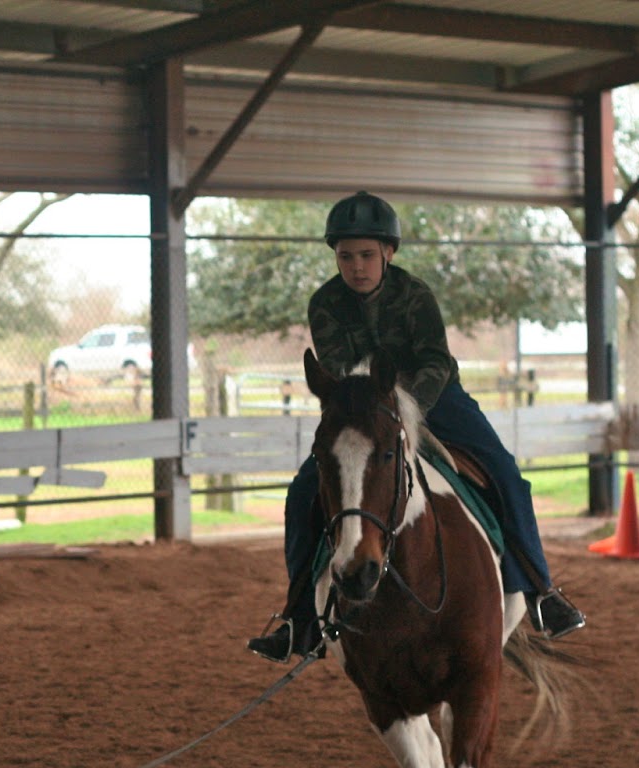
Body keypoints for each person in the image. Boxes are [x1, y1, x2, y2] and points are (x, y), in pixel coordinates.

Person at [248, 190, 585, 662]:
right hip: (365, 408)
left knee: (506, 473)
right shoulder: (324, 303)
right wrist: (376, 409)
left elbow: (435, 361)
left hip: (436, 398)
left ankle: (541, 592)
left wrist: (408, 411)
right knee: (303, 492)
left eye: (367, 255)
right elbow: (341, 371)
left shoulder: (415, 295)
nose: (356, 267)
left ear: (388, 252)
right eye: (346, 256)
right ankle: (299, 618)